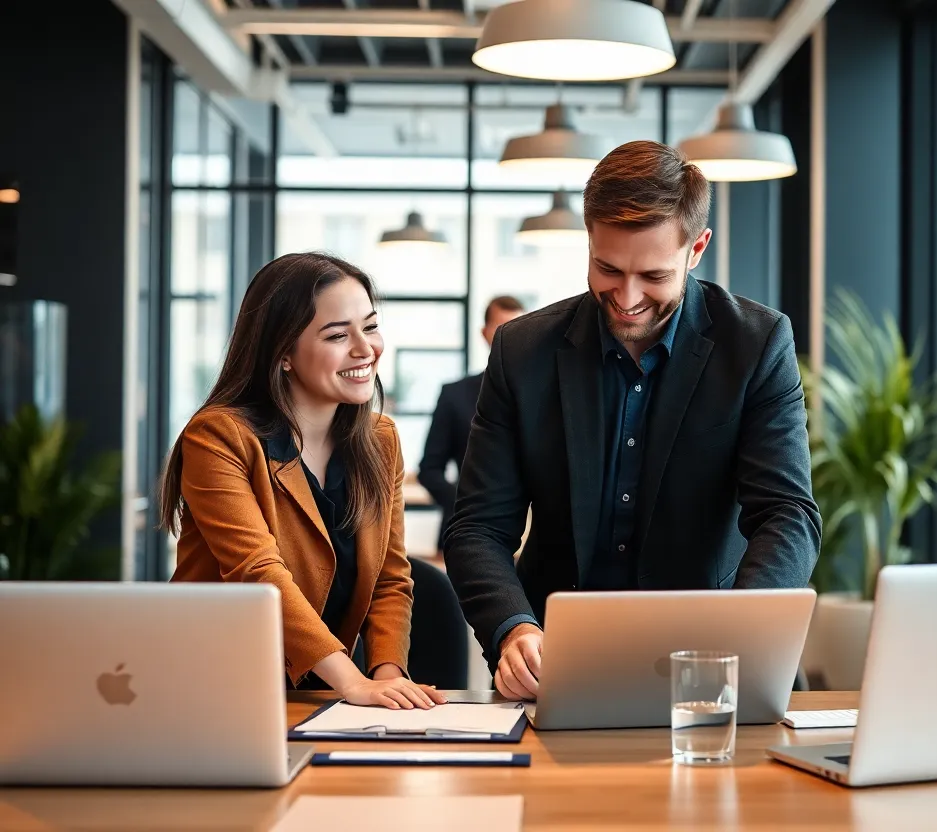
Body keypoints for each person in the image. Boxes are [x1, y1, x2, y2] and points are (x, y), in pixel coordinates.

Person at [444, 141, 822, 701]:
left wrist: (743, 635)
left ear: (696, 250)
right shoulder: (522, 352)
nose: (626, 298)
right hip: (559, 664)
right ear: (590, 240)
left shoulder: (757, 343)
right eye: (608, 268)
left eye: (653, 275)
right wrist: (513, 627)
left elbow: (787, 513)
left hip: (715, 664)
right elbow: (478, 527)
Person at [161, 252, 445, 711]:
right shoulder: (218, 437)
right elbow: (258, 574)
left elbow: (391, 578)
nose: (365, 348)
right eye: (337, 335)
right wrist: (352, 682)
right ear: (283, 354)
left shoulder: (380, 439)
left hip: (321, 699)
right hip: (213, 692)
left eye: (370, 327)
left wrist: (387, 679)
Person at [417, 296, 526, 552]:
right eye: (502, 329)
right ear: (484, 333)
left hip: (534, 540)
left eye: (519, 330)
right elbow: (429, 469)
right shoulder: (454, 394)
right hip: (465, 531)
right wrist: (466, 503)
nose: (511, 339)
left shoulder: (546, 394)